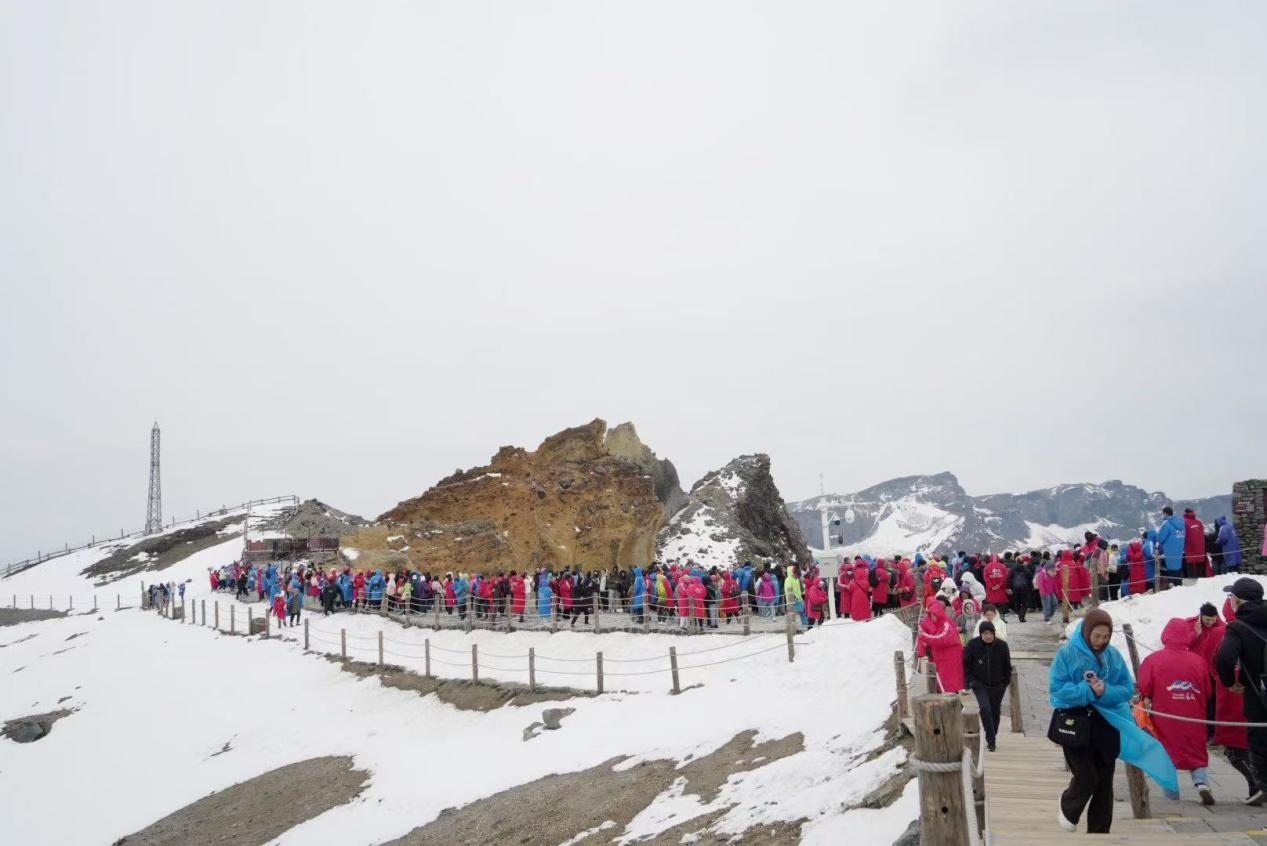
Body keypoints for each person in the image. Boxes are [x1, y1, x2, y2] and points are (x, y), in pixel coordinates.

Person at [1050, 608, 1178, 833]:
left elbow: (1127, 688)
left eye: (1105, 637)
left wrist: (1105, 691)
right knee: (1087, 777)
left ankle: (1100, 832)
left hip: (1107, 724)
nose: (1100, 641)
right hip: (1076, 723)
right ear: (1087, 631)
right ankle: (1069, 806)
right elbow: (1057, 689)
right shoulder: (1067, 654)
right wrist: (1088, 691)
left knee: (1104, 782)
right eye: (1096, 636)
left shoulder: (1112, 656)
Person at [1138, 618, 1215, 804]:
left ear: (1165, 635)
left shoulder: (1153, 660)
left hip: (1165, 715)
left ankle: (1171, 793)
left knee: (1167, 752)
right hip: (1194, 714)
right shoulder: (1198, 661)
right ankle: (1201, 782)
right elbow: (1207, 691)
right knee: (1195, 748)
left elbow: (1145, 687)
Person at [1214, 577, 1267, 805]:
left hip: (1258, 695)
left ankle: (1264, 786)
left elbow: (1224, 658)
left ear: (1237, 600)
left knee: (1260, 742)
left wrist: (1230, 683)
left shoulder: (1238, 627)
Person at [964, 620, 1011, 752]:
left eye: (990, 633)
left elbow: (1007, 665)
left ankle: (992, 734)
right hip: (980, 684)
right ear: (981, 634)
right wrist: (971, 681)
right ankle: (991, 740)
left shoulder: (1002, 646)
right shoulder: (973, 645)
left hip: (998, 685)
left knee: (995, 711)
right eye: (985, 633)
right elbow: (966, 664)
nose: (988, 636)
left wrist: (1005, 682)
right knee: (985, 708)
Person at [915, 600, 966, 694]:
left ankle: (952, 700)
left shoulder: (945, 625)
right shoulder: (941, 624)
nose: (932, 617)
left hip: (949, 659)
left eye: (933, 615)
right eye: (931, 615)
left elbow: (940, 639)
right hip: (943, 658)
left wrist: (924, 637)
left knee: (950, 685)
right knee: (944, 684)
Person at [1156, 506, 1187, 589]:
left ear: (1165, 514)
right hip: (1179, 552)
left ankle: (1173, 589)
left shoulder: (1167, 524)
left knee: (1172, 576)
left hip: (1169, 553)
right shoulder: (1181, 523)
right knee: (1178, 573)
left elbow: (1160, 538)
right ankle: (1179, 587)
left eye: (1163, 514)